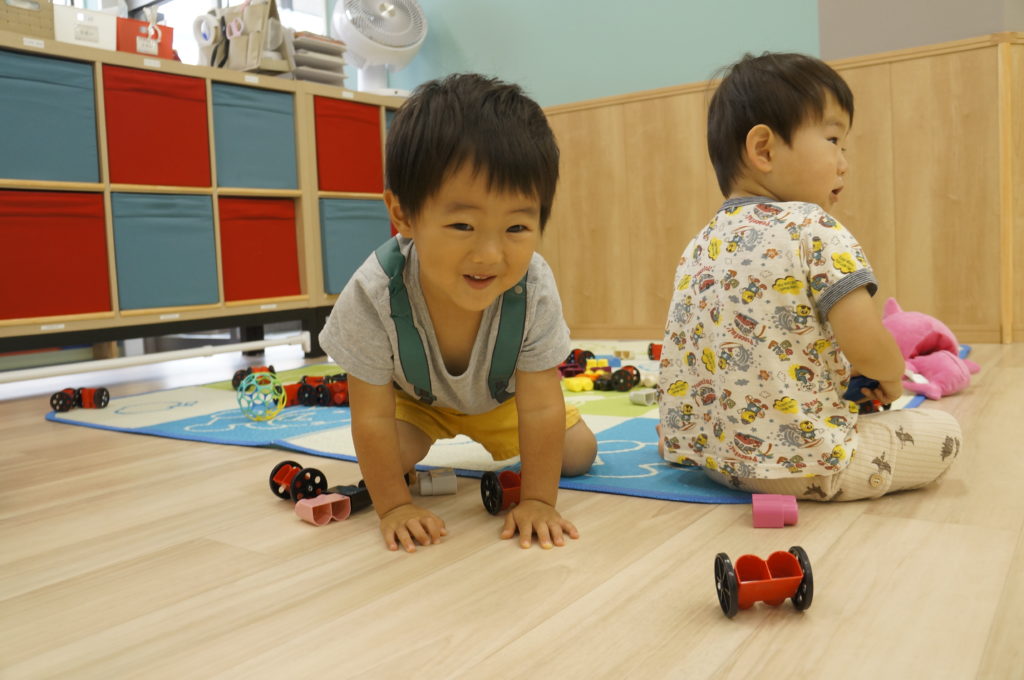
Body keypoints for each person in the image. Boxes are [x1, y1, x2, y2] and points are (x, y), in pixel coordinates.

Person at [657, 53, 962, 501]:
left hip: (714, 461)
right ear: (764, 150)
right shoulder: (814, 227)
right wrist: (892, 374)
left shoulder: (700, 243)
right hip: (801, 464)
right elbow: (867, 343)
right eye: (834, 140)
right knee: (946, 430)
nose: (844, 163)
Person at [320, 73, 597, 551]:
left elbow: (539, 405)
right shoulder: (374, 292)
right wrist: (395, 507)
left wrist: (538, 500)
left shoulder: (532, 286)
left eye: (516, 228)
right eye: (463, 225)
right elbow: (371, 417)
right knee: (384, 458)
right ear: (403, 215)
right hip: (416, 406)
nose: (489, 255)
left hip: (504, 404)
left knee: (578, 454)